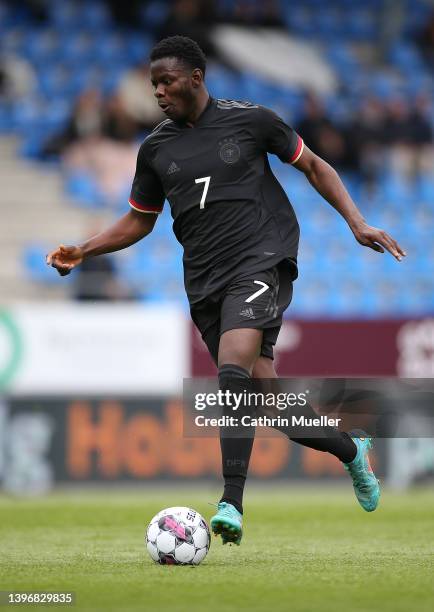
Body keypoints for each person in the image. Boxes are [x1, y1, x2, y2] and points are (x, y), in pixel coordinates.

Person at [47, 36, 406, 546]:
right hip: (205, 279)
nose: (158, 91)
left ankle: (231, 502)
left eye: (166, 81)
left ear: (196, 77)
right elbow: (139, 221)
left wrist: (357, 223)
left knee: (231, 368)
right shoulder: (155, 148)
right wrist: (85, 249)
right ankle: (352, 451)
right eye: (153, 84)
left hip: (264, 256)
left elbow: (314, 166)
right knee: (267, 401)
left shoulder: (252, 119)